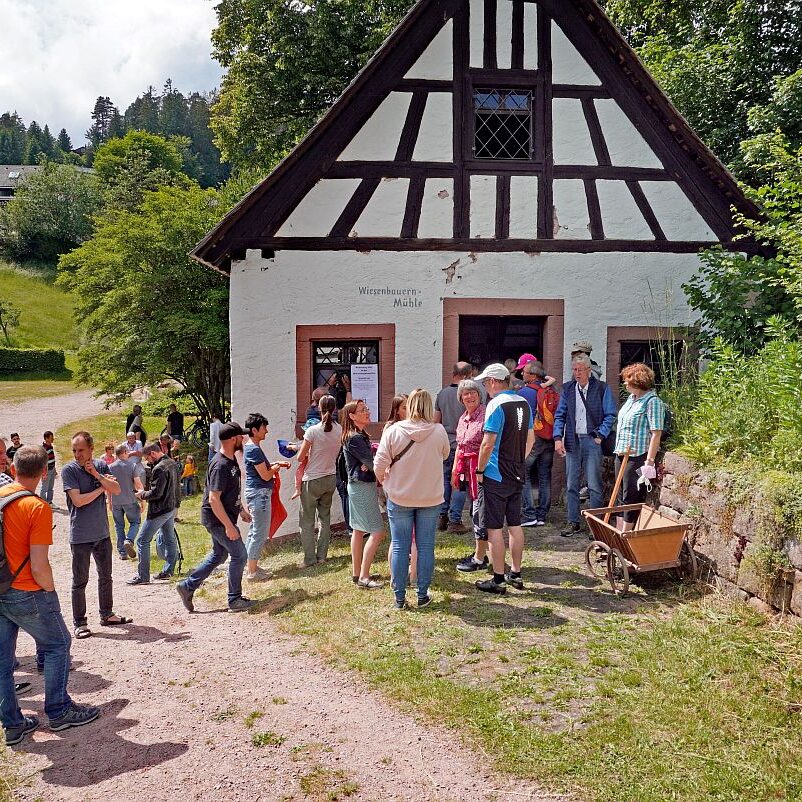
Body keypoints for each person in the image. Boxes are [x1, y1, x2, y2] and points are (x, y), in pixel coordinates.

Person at [1, 446, 101, 746]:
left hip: (0, 588)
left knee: (3, 662)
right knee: (58, 644)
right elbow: (39, 564)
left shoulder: (1, 497)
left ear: (13, 469)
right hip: (26, 590)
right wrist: (50, 591)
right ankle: (59, 711)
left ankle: (13, 724)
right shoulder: (36, 507)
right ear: (45, 472)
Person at [375, 389, 450, 610]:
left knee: (400, 545)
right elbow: (445, 454)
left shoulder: (394, 430)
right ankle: (422, 594)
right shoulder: (438, 431)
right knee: (425, 546)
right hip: (430, 496)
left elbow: (379, 464)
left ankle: (399, 597)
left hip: (400, 496)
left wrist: (385, 480)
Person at [177, 423, 257, 613]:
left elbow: (230, 491)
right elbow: (214, 499)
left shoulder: (230, 459)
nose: (243, 439)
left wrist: (241, 510)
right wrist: (229, 526)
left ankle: (187, 586)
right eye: (240, 436)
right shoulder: (220, 465)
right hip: (217, 520)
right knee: (240, 555)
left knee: (219, 555)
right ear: (232, 439)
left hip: (222, 517)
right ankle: (234, 599)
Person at [62, 431, 131, 639]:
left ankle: (107, 614)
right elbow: (78, 501)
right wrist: (102, 488)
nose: (77, 454)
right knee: (80, 581)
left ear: (91, 449)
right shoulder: (69, 471)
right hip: (80, 535)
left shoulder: (100, 466)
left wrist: (98, 477)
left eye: (81, 450)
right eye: (74, 450)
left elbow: (116, 489)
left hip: (102, 533)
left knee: (106, 577)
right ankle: (80, 623)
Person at [472, 364, 534, 594]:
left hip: (495, 473)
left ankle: (498, 579)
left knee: (494, 527)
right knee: (515, 524)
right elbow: (531, 438)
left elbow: (488, 443)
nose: (485, 387)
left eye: (485, 383)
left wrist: (480, 470)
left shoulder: (495, 404)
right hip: (516, 471)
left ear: (493, 381)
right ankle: (516, 573)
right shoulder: (523, 402)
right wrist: (519, 460)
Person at [553, 354, 617, 536]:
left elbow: (610, 414)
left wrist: (600, 435)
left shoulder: (602, 388)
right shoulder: (567, 389)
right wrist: (557, 438)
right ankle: (573, 522)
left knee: (594, 484)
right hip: (572, 440)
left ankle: (595, 525)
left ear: (589, 370)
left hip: (592, 439)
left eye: (580, 370)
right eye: (575, 370)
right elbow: (560, 415)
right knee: (571, 484)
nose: (577, 373)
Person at [613, 363, 665, 531]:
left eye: (627, 380)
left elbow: (656, 433)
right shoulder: (631, 399)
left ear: (638, 381)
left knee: (631, 497)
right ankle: (618, 535)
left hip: (637, 455)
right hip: (621, 452)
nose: (624, 383)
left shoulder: (652, 402)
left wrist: (649, 461)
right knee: (619, 495)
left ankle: (626, 534)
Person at [340, 399, 385, 589]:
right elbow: (372, 464)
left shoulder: (356, 436)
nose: (367, 411)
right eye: (362, 410)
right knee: (377, 532)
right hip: (361, 486)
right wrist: (370, 464)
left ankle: (356, 573)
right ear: (352, 416)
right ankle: (364, 577)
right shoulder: (355, 438)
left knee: (358, 530)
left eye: (366, 408)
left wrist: (368, 463)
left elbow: (368, 463)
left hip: (356, 485)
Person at [294, 396, 342, 568]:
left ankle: (309, 559)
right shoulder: (340, 429)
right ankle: (322, 556)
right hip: (330, 477)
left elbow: (300, 458)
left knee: (307, 521)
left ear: (319, 408)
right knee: (325, 518)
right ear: (335, 409)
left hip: (312, 479)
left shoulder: (313, 431)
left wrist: (297, 448)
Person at [243, 413, 291, 582]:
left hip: (257, 494)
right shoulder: (254, 449)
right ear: (254, 430)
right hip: (260, 495)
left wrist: (276, 464)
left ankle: (251, 566)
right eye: (264, 427)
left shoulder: (251, 447)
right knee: (259, 533)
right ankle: (252, 572)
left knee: (254, 531)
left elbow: (262, 469)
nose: (267, 431)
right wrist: (275, 469)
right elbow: (265, 475)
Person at [128, 443, 180, 583]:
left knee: (142, 540)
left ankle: (143, 576)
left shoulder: (159, 468)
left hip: (159, 510)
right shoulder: (172, 463)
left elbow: (156, 493)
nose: (148, 461)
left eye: (147, 458)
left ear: (152, 453)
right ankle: (168, 571)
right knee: (169, 539)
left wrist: (142, 494)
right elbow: (176, 487)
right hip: (170, 507)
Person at [452, 380, 489, 572]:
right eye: (465, 393)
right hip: (466, 470)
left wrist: (480, 469)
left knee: (479, 512)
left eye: (473, 392)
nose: (469, 396)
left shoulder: (486, 414)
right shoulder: (463, 418)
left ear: (479, 394)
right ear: (461, 398)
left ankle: (480, 558)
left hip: (482, 470)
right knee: (474, 510)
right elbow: (460, 445)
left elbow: (488, 444)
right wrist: (455, 470)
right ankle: (481, 553)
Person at [518, 361, 560, 527]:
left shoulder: (525, 392)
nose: (522, 374)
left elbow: (520, 419)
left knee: (522, 472)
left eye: (525, 372)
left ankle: (529, 514)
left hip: (533, 438)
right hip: (549, 436)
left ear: (533, 375)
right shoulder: (551, 390)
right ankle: (542, 514)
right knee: (544, 475)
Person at [434, 362, 473, 533]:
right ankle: (455, 520)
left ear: (453, 374)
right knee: (460, 482)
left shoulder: (442, 393)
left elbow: (436, 421)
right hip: (462, 444)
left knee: (445, 480)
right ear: (468, 375)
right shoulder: (468, 395)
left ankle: (442, 516)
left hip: (445, 443)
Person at [108, 444, 140, 560]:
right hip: (130, 499)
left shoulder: (110, 467)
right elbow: (138, 483)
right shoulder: (132, 466)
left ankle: (122, 553)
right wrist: (142, 499)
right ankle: (129, 540)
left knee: (119, 526)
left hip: (116, 500)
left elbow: (108, 486)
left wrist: (110, 501)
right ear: (125, 452)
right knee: (135, 522)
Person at [39, 431, 57, 505]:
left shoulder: (50, 446)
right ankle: (43, 503)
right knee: (44, 488)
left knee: (50, 488)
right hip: (47, 471)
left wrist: (54, 470)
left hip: (52, 470)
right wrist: (44, 473)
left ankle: (49, 502)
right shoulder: (44, 449)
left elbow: (52, 459)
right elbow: (43, 462)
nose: (53, 439)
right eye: (51, 437)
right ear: (46, 438)